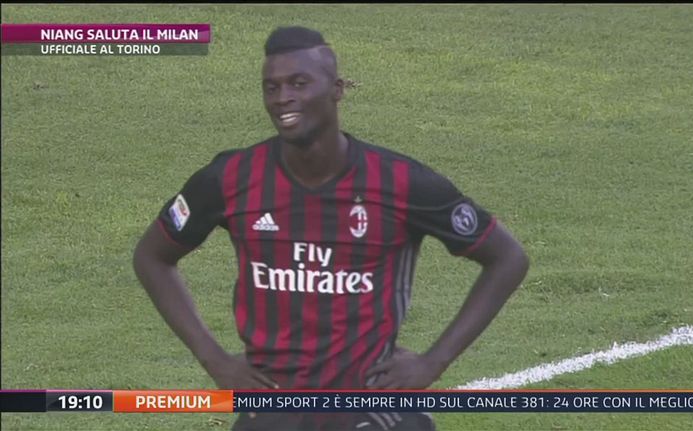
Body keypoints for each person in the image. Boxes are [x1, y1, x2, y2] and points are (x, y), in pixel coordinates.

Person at [133, 26, 529, 431]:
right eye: (271, 87)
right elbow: (152, 256)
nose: (282, 97)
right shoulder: (231, 178)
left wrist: (434, 362)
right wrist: (215, 360)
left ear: (336, 89)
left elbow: (507, 258)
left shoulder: (401, 182)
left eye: (298, 83)